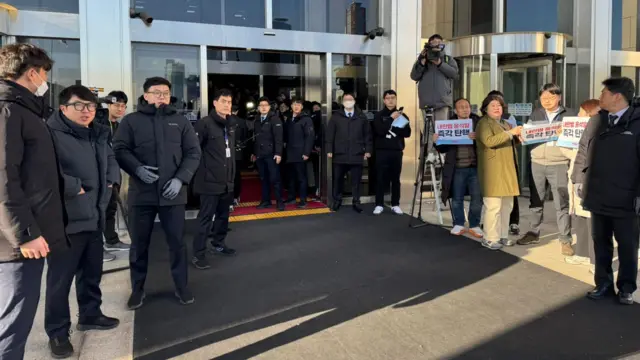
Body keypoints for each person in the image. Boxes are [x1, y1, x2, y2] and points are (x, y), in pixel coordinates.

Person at [0, 43, 68, 360]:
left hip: (23, 235)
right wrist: (25, 232)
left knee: (17, 319)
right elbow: (3, 178)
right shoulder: (9, 110)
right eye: (43, 74)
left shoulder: (25, 110)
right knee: (13, 324)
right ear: (32, 73)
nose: (45, 81)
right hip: (17, 243)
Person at [45, 85, 121, 358]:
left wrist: (112, 180)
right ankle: (57, 332)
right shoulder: (50, 134)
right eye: (79, 106)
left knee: (91, 272)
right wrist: (73, 188)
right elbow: (43, 169)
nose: (87, 111)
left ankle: (90, 314)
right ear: (63, 108)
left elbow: (110, 158)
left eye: (90, 106)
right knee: (59, 280)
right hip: (67, 218)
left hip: (95, 213)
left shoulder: (98, 132)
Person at [113, 77, 201, 309]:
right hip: (142, 194)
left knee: (177, 244)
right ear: (145, 95)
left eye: (166, 92)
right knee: (139, 245)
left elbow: (193, 153)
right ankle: (138, 289)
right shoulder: (131, 121)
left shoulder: (180, 121)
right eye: (157, 92)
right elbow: (120, 149)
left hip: (173, 194)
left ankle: (182, 286)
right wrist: (136, 169)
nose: (162, 96)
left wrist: (181, 179)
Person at [582, 77, 640, 305]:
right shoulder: (598, 121)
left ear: (617, 96)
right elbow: (584, 152)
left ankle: (626, 287)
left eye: (604, 93)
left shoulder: (636, 123)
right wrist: (581, 183)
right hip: (598, 196)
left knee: (627, 246)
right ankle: (603, 283)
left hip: (627, 199)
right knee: (601, 243)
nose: (600, 96)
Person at [517, 83, 576, 256]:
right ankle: (533, 232)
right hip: (537, 162)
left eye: (550, 97)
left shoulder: (570, 114)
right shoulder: (536, 113)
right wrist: (523, 135)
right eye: (543, 98)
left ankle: (565, 239)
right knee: (536, 200)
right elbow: (528, 133)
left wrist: (564, 134)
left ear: (559, 97)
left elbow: (577, 135)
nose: (547, 101)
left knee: (561, 202)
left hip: (558, 162)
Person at [191, 89, 238, 270]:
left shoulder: (230, 125)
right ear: (215, 103)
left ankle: (219, 244)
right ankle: (198, 253)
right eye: (224, 101)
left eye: (229, 102)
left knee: (223, 217)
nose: (227, 105)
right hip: (209, 182)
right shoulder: (204, 124)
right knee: (205, 219)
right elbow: (194, 152)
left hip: (227, 182)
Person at [475, 94, 522, 250]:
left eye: (499, 105)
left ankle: (502, 236)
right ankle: (489, 237)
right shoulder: (483, 123)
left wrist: (520, 136)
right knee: (493, 206)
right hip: (492, 171)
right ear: (485, 108)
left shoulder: (505, 123)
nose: (497, 108)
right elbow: (489, 141)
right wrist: (510, 133)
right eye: (493, 105)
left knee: (506, 206)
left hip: (507, 170)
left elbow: (512, 141)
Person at [434, 98, 483, 238]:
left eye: (467, 106)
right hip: (457, 167)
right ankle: (459, 223)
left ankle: (474, 224)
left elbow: (486, 142)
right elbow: (441, 148)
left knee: (477, 198)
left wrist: (477, 137)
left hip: (475, 167)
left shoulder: (478, 123)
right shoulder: (448, 125)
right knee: (457, 198)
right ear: (455, 110)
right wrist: (436, 140)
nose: (464, 109)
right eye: (460, 107)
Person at [561, 99, 600, 270]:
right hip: (576, 178)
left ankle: (596, 261)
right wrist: (562, 136)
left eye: (581, 112)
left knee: (593, 222)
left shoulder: (600, 129)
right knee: (580, 217)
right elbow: (571, 154)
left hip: (591, 180)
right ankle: (583, 254)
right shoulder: (577, 131)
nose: (577, 115)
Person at [326, 93, 372, 213]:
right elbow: (330, 135)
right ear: (342, 102)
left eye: (350, 99)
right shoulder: (336, 116)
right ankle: (337, 201)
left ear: (354, 101)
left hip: (356, 153)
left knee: (356, 181)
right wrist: (329, 150)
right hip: (340, 154)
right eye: (346, 100)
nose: (348, 101)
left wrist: (368, 150)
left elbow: (367, 135)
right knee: (338, 180)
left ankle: (356, 202)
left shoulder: (361, 116)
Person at [372, 89, 411, 215]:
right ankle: (379, 204)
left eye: (393, 97)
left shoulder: (402, 115)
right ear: (384, 100)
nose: (390, 100)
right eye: (388, 98)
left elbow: (407, 133)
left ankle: (395, 204)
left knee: (396, 178)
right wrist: (390, 119)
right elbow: (380, 131)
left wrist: (399, 123)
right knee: (380, 178)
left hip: (396, 150)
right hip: (381, 151)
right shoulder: (378, 115)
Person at [102, 91, 130, 255]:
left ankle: (111, 241)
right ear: (108, 105)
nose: (120, 109)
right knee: (99, 209)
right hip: (100, 174)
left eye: (123, 106)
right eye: (117, 105)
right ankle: (98, 247)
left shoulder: (118, 126)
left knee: (110, 208)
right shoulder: (98, 123)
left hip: (113, 172)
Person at [410, 34, 459, 125]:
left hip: (442, 102)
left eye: (439, 43)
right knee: (428, 133)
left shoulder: (448, 59)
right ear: (428, 45)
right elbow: (414, 76)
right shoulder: (423, 60)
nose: (436, 45)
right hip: (426, 103)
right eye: (434, 43)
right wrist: (421, 63)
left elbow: (454, 74)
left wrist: (440, 64)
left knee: (441, 130)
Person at [252, 96, 284, 211]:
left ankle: (280, 202)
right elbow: (255, 138)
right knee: (263, 179)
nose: (264, 107)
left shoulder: (274, 119)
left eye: (266, 105)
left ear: (269, 107)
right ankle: (266, 201)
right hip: (260, 154)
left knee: (275, 179)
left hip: (272, 154)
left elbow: (278, 138)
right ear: (258, 108)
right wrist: (254, 153)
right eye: (261, 106)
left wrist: (278, 153)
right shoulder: (256, 120)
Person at [284, 97, 315, 208]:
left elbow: (310, 137)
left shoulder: (306, 119)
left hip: (301, 153)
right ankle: (291, 198)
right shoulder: (288, 119)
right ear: (291, 106)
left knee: (301, 177)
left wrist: (306, 152)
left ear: (302, 107)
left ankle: (303, 200)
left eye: (299, 104)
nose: (296, 106)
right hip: (290, 153)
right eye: (294, 104)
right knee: (291, 177)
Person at [231, 105, 248, 208]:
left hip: (226, 153)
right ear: (237, 111)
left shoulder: (225, 120)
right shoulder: (242, 122)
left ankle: (229, 198)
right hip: (238, 152)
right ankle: (236, 197)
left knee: (228, 176)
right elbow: (245, 137)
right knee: (237, 175)